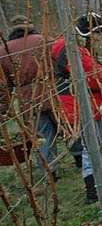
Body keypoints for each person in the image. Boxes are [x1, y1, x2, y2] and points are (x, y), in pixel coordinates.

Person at [52, 12, 102, 203]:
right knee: (91, 147)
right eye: (99, 33)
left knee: (92, 145)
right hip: (81, 105)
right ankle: (93, 190)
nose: (101, 38)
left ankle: (96, 184)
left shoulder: (73, 48)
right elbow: (96, 78)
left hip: (79, 103)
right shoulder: (74, 52)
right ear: (89, 33)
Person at [0, 15, 59, 180]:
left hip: (28, 99)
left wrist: (4, 108)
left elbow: (3, 85)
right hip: (52, 91)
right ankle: (79, 158)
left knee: (43, 135)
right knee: (67, 127)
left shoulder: (3, 51)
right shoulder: (45, 40)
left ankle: (49, 172)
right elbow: (61, 62)